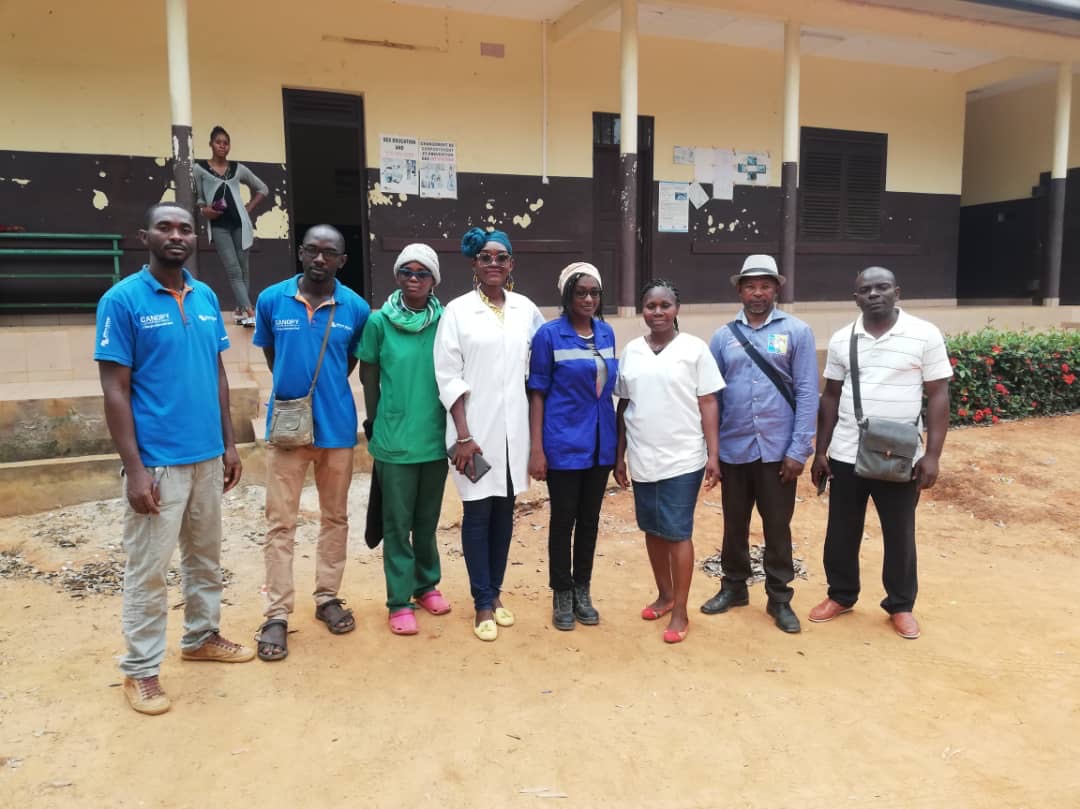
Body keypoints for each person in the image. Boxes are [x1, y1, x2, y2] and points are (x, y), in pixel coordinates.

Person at [95, 203, 254, 716]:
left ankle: (201, 637)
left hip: (207, 455)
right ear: (145, 236)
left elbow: (217, 373)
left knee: (205, 558)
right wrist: (136, 470)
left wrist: (229, 444)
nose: (177, 235)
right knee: (149, 570)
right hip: (158, 462)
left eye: (185, 228)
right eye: (165, 227)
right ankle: (140, 669)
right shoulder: (122, 300)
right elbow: (115, 390)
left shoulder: (205, 297)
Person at [809, 267, 952, 640]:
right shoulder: (842, 339)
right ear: (855, 297)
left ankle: (900, 605)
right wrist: (821, 451)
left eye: (882, 287)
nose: (874, 294)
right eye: (865, 289)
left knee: (900, 532)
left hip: (899, 454)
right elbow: (831, 396)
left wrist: (932, 455)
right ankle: (841, 595)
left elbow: (938, 394)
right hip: (846, 452)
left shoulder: (924, 334)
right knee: (841, 530)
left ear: (897, 292)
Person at [251, 225, 370, 661]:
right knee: (280, 522)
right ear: (300, 253)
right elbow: (273, 357)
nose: (320, 259)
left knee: (335, 517)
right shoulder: (271, 300)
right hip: (287, 429)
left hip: (337, 428)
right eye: (312, 250)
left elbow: (349, 361)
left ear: (342, 260)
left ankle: (327, 597)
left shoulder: (356, 308)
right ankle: (276, 614)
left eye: (330, 253)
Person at [434, 227, 544, 642]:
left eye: (501, 257)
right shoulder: (457, 311)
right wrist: (464, 436)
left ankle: (495, 593)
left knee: (504, 512)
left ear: (511, 263)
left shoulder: (525, 310)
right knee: (478, 513)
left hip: (514, 432)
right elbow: (448, 375)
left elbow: (540, 366)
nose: (493, 263)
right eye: (485, 257)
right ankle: (482, 600)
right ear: (474, 264)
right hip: (473, 436)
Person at [699, 255, 818, 634]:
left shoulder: (797, 332)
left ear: (776, 289)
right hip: (734, 449)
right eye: (750, 286)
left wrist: (799, 449)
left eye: (765, 286)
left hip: (778, 453)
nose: (758, 293)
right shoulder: (722, 337)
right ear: (739, 290)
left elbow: (807, 392)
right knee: (734, 524)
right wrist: (712, 451)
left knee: (777, 527)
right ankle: (733, 587)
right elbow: (711, 396)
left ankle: (779, 598)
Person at [614, 279, 724, 644]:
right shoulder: (632, 351)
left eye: (665, 305)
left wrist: (713, 454)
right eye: (651, 306)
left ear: (677, 309)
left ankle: (681, 610)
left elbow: (708, 401)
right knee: (652, 528)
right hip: (643, 454)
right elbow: (624, 405)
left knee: (677, 531)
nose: (658, 312)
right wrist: (619, 455)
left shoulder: (694, 350)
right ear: (642, 310)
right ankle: (664, 595)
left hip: (683, 457)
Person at [357, 244, 451, 636]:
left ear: (434, 280)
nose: (414, 279)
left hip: (435, 435)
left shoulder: (446, 321)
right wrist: (376, 421)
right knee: (397, 523)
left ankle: (425, 585)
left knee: (427, 521)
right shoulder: (379, 322)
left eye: (422, 273)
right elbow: (368, 377)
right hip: (394, 438)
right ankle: (398, 600)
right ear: (397, 277)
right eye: (406, 272)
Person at [528, 263, 618, 631]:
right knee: (563, 520)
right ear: (567, 296)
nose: (588, 299)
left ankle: (583, 588)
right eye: (581, 292)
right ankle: (561, 591)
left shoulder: (607, 332)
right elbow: (537, 393)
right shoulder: (548, 335)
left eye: (594, 292)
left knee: (590, 521)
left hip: (600, 443)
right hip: (563, 442)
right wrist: (537, 449)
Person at [194, 125, 268, 326]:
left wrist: (248, 207)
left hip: (241, 225)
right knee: (234, 270)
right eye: (218, 142)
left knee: (244, 269)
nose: (222, 146)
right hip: (219, 226)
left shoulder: (238, 168)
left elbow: (262, 188)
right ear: (211, 144)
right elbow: (200, 199)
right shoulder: (199, 169)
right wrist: (205, 211)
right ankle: (250, 311)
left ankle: (239, 310)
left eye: (226, 143)